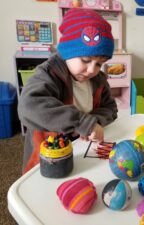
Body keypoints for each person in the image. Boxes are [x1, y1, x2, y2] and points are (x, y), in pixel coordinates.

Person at [18, 8, 118, 173]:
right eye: (86, 60)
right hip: (49, 155)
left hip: (82, 149)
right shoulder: (49, 73)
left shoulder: (98, 79)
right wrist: (81, 122)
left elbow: (110, 108)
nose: (92, 70)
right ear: (67, 52)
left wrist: (95, 121)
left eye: (99, 63)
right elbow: (29, 106)